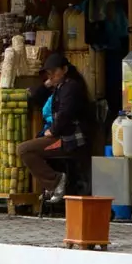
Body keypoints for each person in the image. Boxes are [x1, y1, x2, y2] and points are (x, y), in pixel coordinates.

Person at [20, 52, 90, 201]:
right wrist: (46, 85)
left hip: (69, 139)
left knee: (24, 149)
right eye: (48, 73)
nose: (51, 76)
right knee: (29, 148)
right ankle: (53, 184)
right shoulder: (59, 85)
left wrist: (53, 130)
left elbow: (66, 113)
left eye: (54, 72)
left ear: (64, 70)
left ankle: (56, 181)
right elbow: (36, 98)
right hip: (60, 135)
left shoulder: (71, 87)